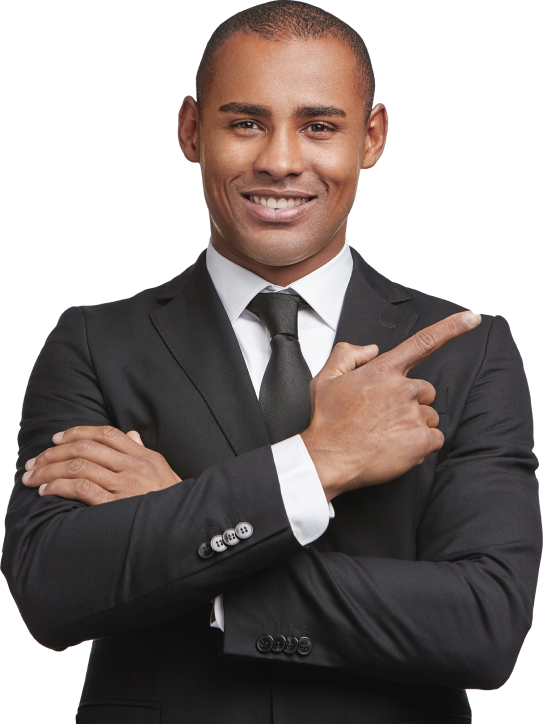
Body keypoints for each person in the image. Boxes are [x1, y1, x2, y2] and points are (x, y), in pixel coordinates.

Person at [2, 2, 540, 722]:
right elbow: (55, 593)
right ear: (191, 129)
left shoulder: (467, 348)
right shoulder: (95, 343)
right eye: (245, 122)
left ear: (371, 137)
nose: (281, 160)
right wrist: (320, 461)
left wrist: (177, 529)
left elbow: (482, 629)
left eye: (318, 126)